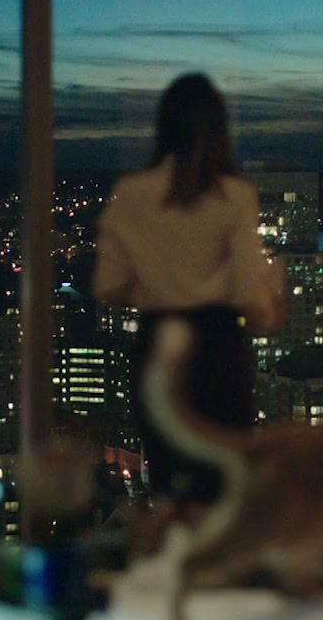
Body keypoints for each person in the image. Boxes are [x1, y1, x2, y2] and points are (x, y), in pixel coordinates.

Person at [93, 73, 284, 505]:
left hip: (157, 345)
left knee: (170, 485)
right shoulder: (234, 197)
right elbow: (251, 298)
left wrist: (158, 280)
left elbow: (108, 285)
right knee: (223, 486)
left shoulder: (133, 193)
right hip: (216, 350)